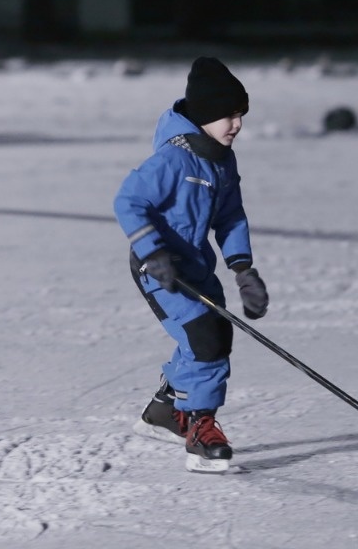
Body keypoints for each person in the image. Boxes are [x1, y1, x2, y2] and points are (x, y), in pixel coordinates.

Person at [114, 56, 269, 474]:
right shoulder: (172, 160)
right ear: (201, 116)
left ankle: (165, 409)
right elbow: (128, 201)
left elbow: (230, 216)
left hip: (195, 264)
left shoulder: (222, 160)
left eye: (240, 115)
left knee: (215, 331)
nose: (235, 124)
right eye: (226, 115)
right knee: (204, 338)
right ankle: (201, 428)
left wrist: (243, 269)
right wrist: (154, 252)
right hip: (158, 267)